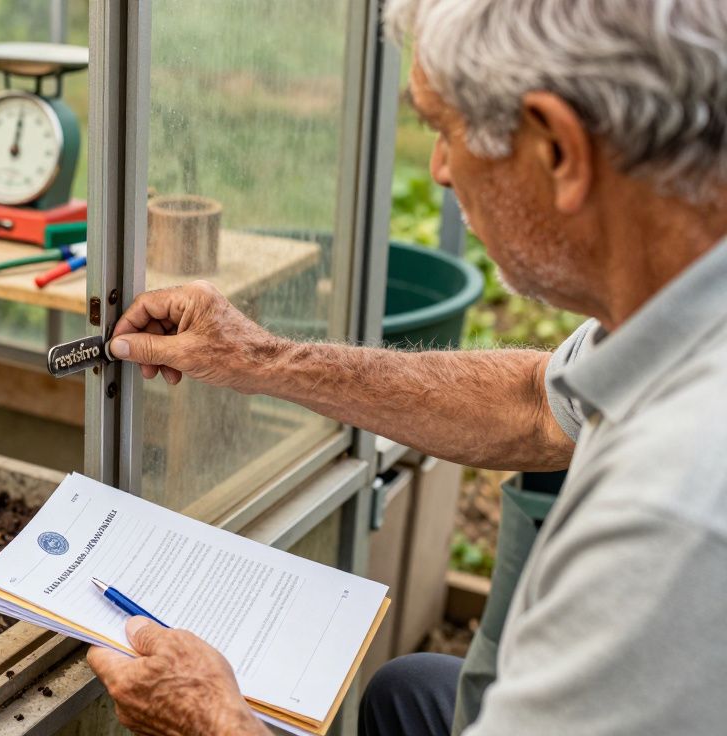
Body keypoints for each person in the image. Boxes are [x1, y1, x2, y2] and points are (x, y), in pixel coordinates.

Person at [85, 1, 727, 734]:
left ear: (559, 149)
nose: (440, 171)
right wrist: (257, 357)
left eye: (444, 129)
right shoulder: (677, 298)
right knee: (410, 692)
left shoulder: (672, 515)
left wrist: (211, 721)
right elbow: (533, 404)